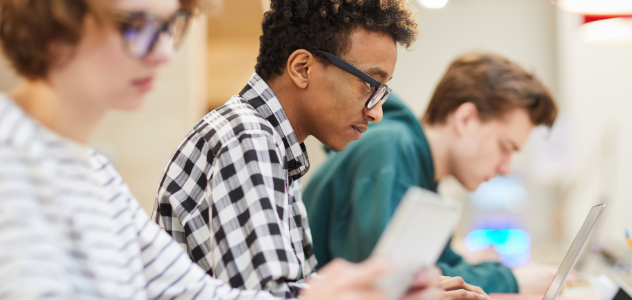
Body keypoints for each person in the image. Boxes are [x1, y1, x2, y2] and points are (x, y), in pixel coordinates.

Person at [0, 0, 440, 299]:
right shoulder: (12, 157)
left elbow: (203, 294)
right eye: (135, 27)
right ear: (54, 24)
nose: (164, 54)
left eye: (172, 27)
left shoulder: (95, 176)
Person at [151, 0, 491, 299]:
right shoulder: (248, 136)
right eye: (370, 85)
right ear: (303, 68)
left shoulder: (274, 144)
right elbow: (272, 296)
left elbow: (296, 287)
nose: (377, 112)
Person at [303, 52, 566, 295]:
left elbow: (441, 266)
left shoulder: (421, 174)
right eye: (505, 148)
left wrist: (508, 275)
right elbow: (390, 285)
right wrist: (513, 280)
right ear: (465, 119)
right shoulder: (389, 149)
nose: (506, 167)